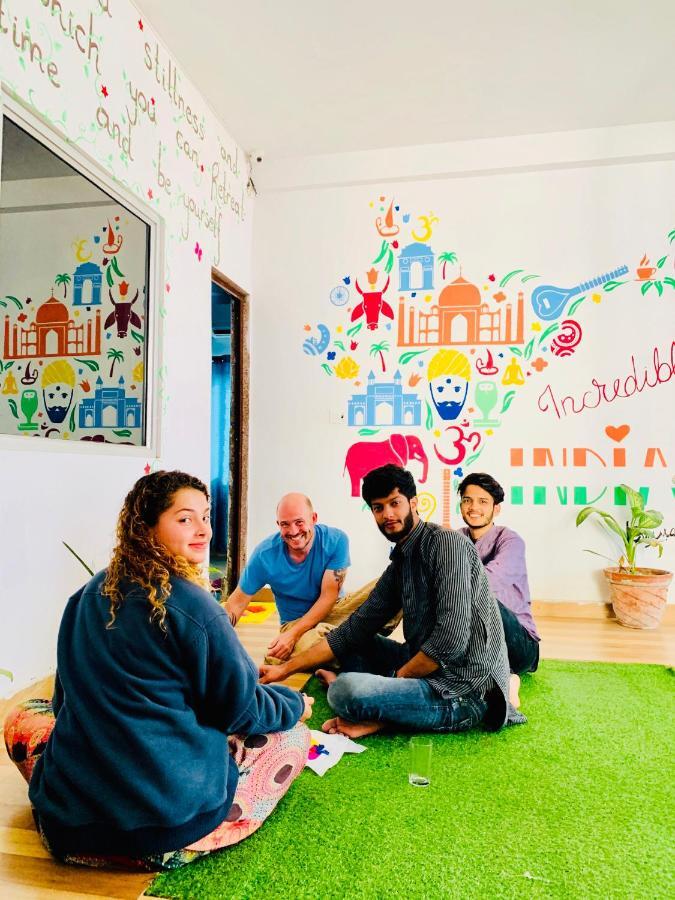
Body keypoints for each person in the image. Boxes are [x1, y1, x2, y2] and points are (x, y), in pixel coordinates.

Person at [3, 471, 312, 871]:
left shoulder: (82, 598)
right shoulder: (198, 608)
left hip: (68, 827)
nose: (203, 530)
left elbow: (63, 702)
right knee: (291, 738)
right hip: (164, 829)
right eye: (185, 519)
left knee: (23, 717)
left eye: (206, 516)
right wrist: (294, 703)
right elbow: (240, 711)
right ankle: (197, 833)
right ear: (145, 528)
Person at [260, 464, 525, 738]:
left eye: (394, 503)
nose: (387, 514)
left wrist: (393, 681)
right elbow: (355, 629)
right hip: (423, 664)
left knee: (344, 691)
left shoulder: (448, 545)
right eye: (378, 507)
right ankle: (386, 707)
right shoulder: (401, 560)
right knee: (350, 644)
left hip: (463, 689)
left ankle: (383, 715)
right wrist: (283, 669)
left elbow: (450, 641)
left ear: (414, 503)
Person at [225, 492, 377, 664]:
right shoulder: (264, 555)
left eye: (299, 522)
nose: (293, 531)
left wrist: (292, 635)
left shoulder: (336, 540)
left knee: (390, 583)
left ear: (313, 518)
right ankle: (353, 640)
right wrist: (216, 641)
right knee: (314, 644)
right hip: (295, 625)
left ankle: (341, 643)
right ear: (278, 525)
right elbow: (236, 603)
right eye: (285, 525)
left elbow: (328, 597)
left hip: (335, 612)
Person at [457, 472, 540, 677]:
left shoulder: (511, 541)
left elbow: (487, 583)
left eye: (483, 501)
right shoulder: (455, 539)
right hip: (476, 642)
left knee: (479, 596)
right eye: (467, 500)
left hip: (519, 644)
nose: (474, 507)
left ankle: (502, 674)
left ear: (496, 508)